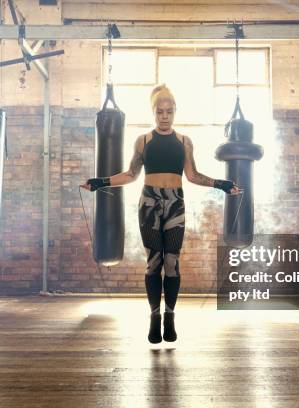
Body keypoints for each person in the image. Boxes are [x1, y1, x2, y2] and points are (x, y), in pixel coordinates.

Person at [81, 84, 240, 344]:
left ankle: (170, 316)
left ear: (175, 111)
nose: (164, 116)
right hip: (149, 203)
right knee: (154, 262)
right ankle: (154, 317)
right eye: (159, 111)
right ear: (153, 113)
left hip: (175, 202)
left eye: (169, 111)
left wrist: (222, 185)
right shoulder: (143, 141)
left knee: (172, 263)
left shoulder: (184, 142)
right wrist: (100, 182)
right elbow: (131, 175)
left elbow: (193, 175)